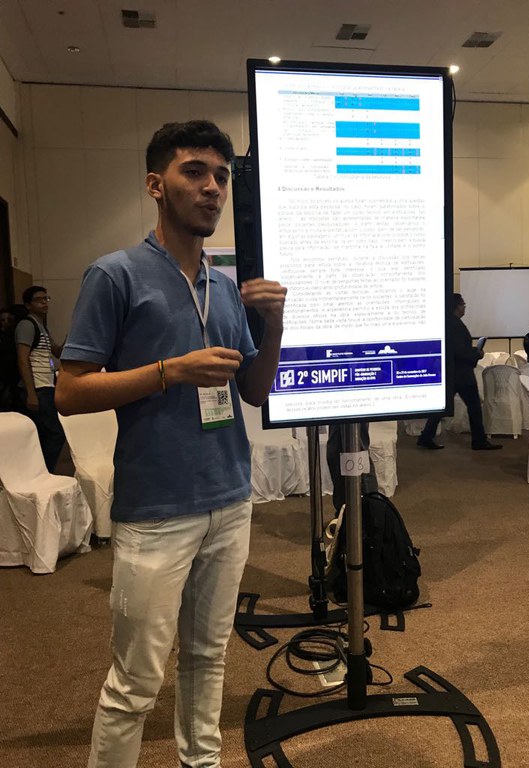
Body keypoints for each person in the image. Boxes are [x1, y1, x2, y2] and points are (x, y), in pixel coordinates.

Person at [55, 120, 287, 768]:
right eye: (195, 172)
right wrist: (170, 371)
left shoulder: (224, 286)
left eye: (222, 176)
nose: (212, 188)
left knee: (209, 658)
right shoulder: (116, 275)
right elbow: (69, 392)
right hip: (156, 510)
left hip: (230, 499)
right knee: (135, 683)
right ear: (156, 185)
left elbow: (254, 392)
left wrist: (274, 327)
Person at [417, 293, 502, 451]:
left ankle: (426, 436)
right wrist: (477, 353)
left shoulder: (448, 322)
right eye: (463, 305)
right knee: (474, 407)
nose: (464, 308)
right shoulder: (455, 324)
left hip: (453, 373)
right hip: (461, 374)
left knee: (442, 408)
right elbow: (459, 350)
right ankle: (479, 441)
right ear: (457, 306)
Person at [15, 286, 66, 471]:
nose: (44, 302)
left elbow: (57, 352)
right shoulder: (27, 325)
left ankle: (41, 471)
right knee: (54, 434)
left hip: (46, 385)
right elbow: (22, 359)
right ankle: (43, 471)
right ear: (28, 305)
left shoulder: (42, 327)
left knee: (47, 434)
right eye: (39, 299)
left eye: (46, 298)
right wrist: (31, 393)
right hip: (37, 387)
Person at [0, 307, 19, 411]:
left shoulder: (15, 335)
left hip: (14, 374)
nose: (6, 323)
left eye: (9, 320)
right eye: (3, 320)